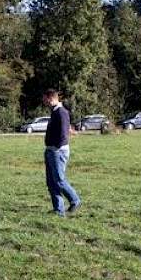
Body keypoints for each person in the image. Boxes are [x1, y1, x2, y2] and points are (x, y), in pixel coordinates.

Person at [42, 89, 81, 217]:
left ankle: (75, 201)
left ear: (50, 98)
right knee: (51, 182)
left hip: (57, 151)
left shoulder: (61, 112)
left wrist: (56, 148)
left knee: (59, 180)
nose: (44, 101)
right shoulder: (54, 112)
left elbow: (64, 134)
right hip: (51, 151)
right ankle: (59, 210)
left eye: (45, 99)